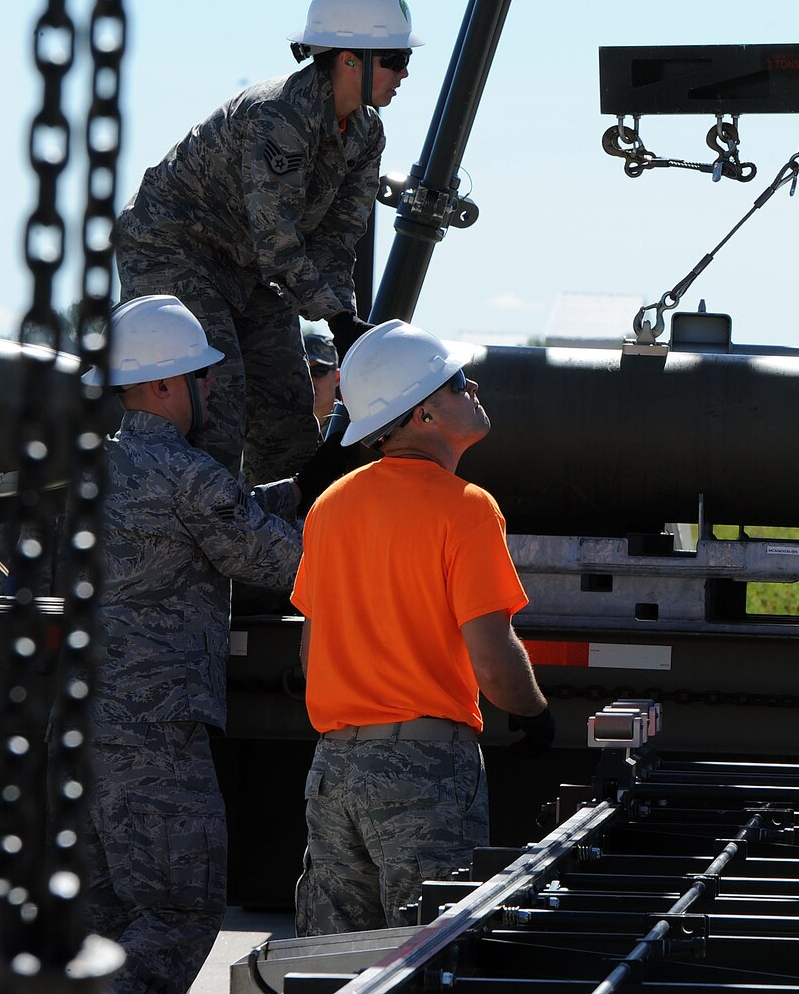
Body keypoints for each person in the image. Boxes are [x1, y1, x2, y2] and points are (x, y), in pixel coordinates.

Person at [80, 294, 353, 994]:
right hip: (155, 735)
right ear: (165, 383)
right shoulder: (186, 474)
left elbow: (217, 511)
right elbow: (287, 562)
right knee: (179, 913)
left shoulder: (99, 469)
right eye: (200, 375)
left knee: (111, 922)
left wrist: (295, 487)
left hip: (80, 729)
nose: (212, 387)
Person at [291, 320, 555, 935]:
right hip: (424, 771)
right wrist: (534, 711)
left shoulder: (330, 507)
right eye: (458, 383)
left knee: (334, 965)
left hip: (334, 771)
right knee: (427, 956)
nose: (475, 387)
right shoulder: (466, 508)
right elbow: (492, 658)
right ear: (423, 416)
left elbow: (311, 650)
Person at [114, 0, 420, 484]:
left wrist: (341, 317)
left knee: (287, 417)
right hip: (174, 250)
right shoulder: (277, 116)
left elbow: (337, 241)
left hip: (251, 270)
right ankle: (189, 554)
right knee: (215, 408)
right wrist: (338, 322)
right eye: (395, 60)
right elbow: (276, 241)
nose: (404, 74)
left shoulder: (366, 133)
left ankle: (280, 556)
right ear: (349, 59)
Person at [305, 331, 340, 431]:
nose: (309, 380)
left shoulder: (355, 427)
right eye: (301, 372)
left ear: (337, 377)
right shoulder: (272, 430)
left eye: (319, 371)